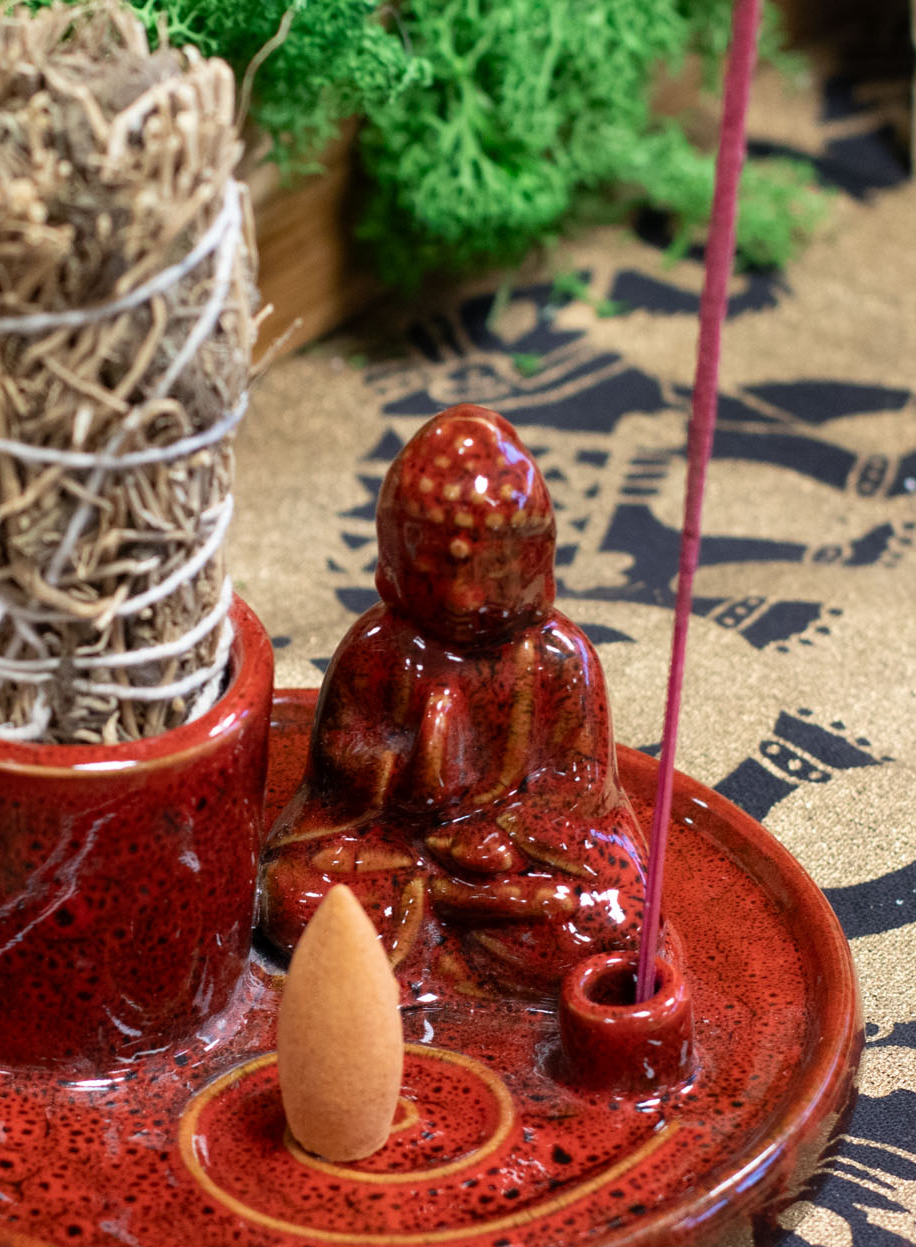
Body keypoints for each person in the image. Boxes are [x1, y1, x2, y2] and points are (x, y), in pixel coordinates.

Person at [260, 404, 649, 1000]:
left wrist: (503, 836)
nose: (463, 600)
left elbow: (582, 787)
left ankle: (443, 938)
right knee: (291, 899)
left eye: (492, 571)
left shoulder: (558, 657)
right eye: (435, 570)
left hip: (516, 858)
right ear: (395, 558)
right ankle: (448, 931)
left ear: (533, 562)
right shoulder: (379, 648)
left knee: (618, 918)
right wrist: (399, 769)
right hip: (395, 845)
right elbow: (335, 766)